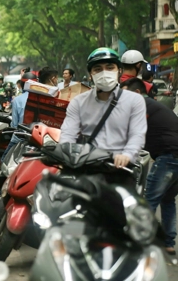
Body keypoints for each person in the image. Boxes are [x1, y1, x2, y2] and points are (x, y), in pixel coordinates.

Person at [60, 47, 147, 187]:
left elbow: (137, 135)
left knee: (131, 208)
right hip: (86, 170)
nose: (104, 72)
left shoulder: (135, 101)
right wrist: (65, 153)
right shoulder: (78, 102)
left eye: (110, 67)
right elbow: (68, 133)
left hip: (120, 171)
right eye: (98, 69)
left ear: (119, 71)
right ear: (90, 74)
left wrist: (127, 155)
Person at [121, 77, 178, 256]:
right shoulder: (152, 107)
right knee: (167, 200)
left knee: (148, 200)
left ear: (137, 93)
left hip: (169, 156)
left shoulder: (142, 105)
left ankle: (138, 243)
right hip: (174, 156)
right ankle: (168, 243)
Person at [0, 72, 38, 201]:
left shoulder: (18, 100)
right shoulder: (44, 99)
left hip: (21, 136)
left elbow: (15, 124)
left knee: (5, 163)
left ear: (22, 85)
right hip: (40, 138)